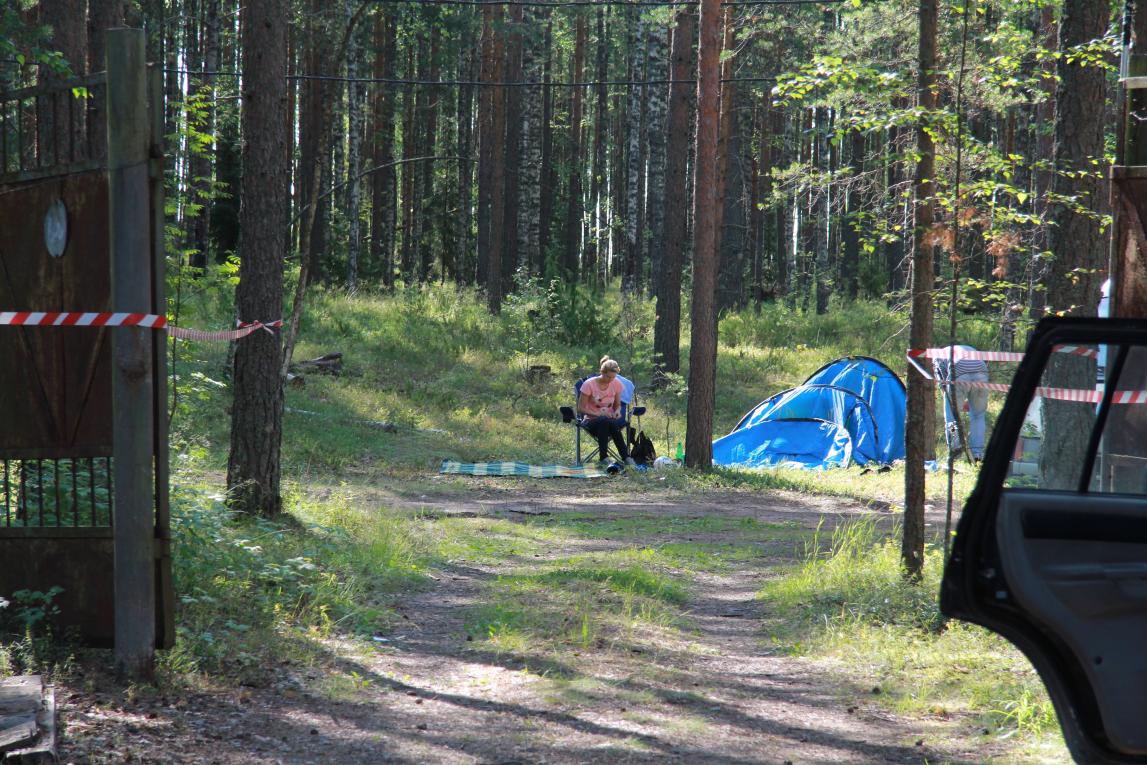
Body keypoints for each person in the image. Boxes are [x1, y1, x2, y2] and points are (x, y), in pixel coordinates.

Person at [579, 356, 637, 467]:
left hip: (609, 422)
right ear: (602, 372)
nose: (610, 380)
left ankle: (624, 458)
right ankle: (607, 457)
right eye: (608, 377)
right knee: (604, 420)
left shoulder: (616, 383)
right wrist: (598, 414)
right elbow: (581, 408)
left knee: (610, 421)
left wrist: (617, 411)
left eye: (613, 377)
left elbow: (617, 405)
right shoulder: (588, 384)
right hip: (591, 421)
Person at [934, 345, 989, 460]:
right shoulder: (968, 348)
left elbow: (943, 385)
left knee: (951, 418)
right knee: (978, 416)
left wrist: (956, 401)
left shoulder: (936, 357)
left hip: (959, 372)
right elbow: (983, 364)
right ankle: (977, 454)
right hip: (982, 373)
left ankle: (955, 451)